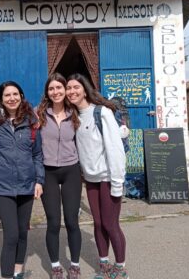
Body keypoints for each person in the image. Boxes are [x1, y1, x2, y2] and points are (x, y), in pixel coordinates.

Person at [66, 73, 128, 279]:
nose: (72, 91)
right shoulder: (73, 116)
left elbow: (115, 148)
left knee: (111, 224)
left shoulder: (100, 113)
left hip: (108, 178)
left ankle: (120, 269)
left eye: (76, 87)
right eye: (69, 88)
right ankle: (104, 266)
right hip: (91, 180)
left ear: (85, 89)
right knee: (99, 224)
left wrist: (118, 183)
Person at [0, 81, 44, 279]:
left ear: (21, 96)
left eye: (15, 94)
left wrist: (39, 181)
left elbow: (37, 155)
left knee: (22, 233)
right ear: (1, 99)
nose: (12, 98)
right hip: (3, 185)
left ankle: (18, 271)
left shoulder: (32, 122)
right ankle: (7, 276)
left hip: (27, 184)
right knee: (11, 235)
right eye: (7, 95)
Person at [36, 73, 82, 279]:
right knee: (53, 222)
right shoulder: (39, 115)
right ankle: (55, 266)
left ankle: (74, 265)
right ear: (47, 92)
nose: (56, 92)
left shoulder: (75, 114)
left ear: (65, 90)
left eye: (59, 88)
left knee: (72, 221)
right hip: (48, 172)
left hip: (71, 170)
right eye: (51, 88)